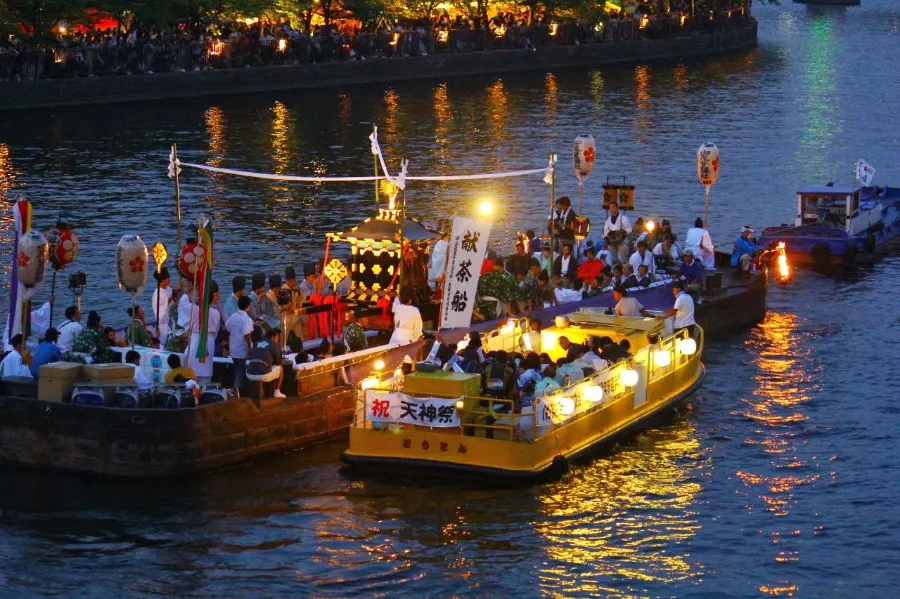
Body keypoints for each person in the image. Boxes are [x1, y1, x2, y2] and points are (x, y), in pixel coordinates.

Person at [186, 282, 222, 385]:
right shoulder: (215, 312)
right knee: (205, 373)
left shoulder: (193, 309)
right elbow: (216, 330)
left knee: (194, 372)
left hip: (195, 339)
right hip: (208, 340)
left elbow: (188, 325)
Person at [225, 295, 254, 395]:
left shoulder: (233, 316)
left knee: (236, 369)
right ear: (248, 306)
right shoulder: (247, 319)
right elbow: (247, 334)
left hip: (233, 348)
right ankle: (236, 390)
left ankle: (237, 389)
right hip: (242, 349)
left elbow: (227, 327)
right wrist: (250, 348)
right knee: (240, 370)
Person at [247, 328, 286, 398]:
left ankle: (259, 392)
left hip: (249, 374)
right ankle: (277, 391)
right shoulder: (274, 345)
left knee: (262, 367)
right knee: (280, 368)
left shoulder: (256, 343)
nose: (277, 340)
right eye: (277, 338)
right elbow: (278, 362)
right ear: (273, 337)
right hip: (262, 375)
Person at [151, 267, 174, 344]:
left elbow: (173, 299)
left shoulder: (168, 288)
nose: (169, 279)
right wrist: (173, 296)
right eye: (168, 278)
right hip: (161, 324)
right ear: (163, 280)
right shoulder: (157, 293)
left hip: (169, 320)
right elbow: (165, 304)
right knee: (163, 344)